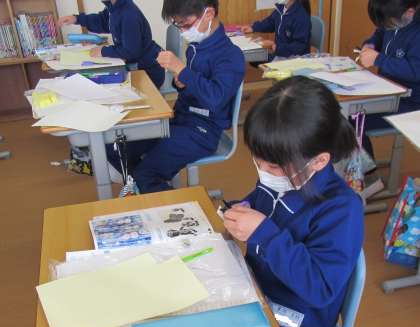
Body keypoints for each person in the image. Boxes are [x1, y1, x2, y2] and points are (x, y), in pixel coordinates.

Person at [100, 77, 365, 327]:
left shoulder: (341, 210)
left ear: (319, 161)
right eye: (258, 161)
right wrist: (239, 211)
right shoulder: (284, 179)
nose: (263, 172)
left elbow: (320, 287)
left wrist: (263, 234)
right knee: (167, 318)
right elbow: (260, 201)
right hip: (252, 292)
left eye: (272, 166)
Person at [113, 0, 245, 194]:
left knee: (145, 174)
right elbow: (192, 85)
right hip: (180, 119)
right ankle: (144, 184)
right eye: (178, 25)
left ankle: (165, 196)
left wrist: (182, 71)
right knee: (117, 147)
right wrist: (180, 82)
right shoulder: (196, 46)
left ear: (209, 14)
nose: (183, 31)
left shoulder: (231, 55)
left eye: (186, 24)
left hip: (203, 131)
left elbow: (216, 99)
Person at [358, 0, 420, 157]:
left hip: (410, 103)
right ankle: (359, 166)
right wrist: (370, 45)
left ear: (410, 12)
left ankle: (365, 170)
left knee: (352, 120)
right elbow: (380, 33)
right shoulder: (395, 17)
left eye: (390, 24)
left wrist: (378, 59)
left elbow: (416, 70)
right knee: (342, 113)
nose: (387, 28)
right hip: (386, 91)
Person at [57, 0, 165, 88]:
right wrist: (77, 19)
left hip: (147, 71)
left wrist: (103, 51)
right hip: (134, 64)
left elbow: (131, 51)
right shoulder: (114, 7)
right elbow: (102, 21)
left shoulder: (129, 15)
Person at [240, 0, 311, 60]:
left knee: (248, 56)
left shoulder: (301, 17)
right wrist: (253, 28)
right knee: (246, 56)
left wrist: (275, 46)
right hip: (279, 53)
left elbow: (300, 46)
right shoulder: (281, 8)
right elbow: (270, 22)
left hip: (293, 59)